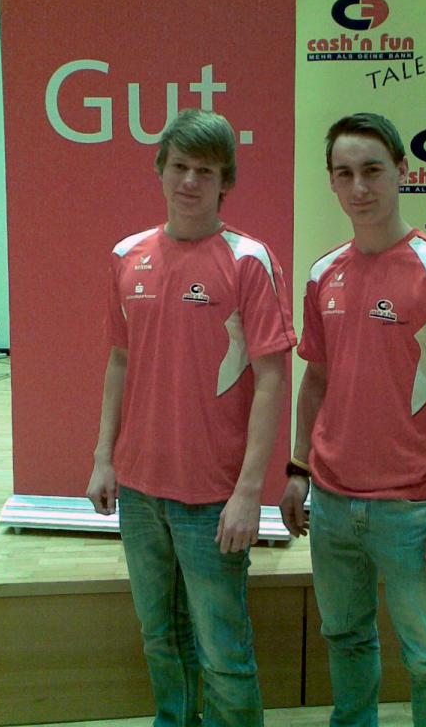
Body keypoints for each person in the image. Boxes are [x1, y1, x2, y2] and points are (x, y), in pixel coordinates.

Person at [280, 113, 426, 727]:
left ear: (402, 170)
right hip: (331, 504)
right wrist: (298, 468)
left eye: (373, 170)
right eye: (345, 173)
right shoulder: (323, 274)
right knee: (345, 638)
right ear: (331, 181)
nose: (360, 187)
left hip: (411, 509)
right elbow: (315, 381)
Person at [87, 108, 296, 727]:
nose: (189, 181)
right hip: (139, 490)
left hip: (213, 496)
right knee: (160, 637)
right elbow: (119, 362)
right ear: (160, 170)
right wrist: (103, 459)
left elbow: (272, 380)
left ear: (225, 181)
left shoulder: (249, 260)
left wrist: (249, 493)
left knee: (223, 652)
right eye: (179, 166)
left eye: (205, 171)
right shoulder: (127, 255)